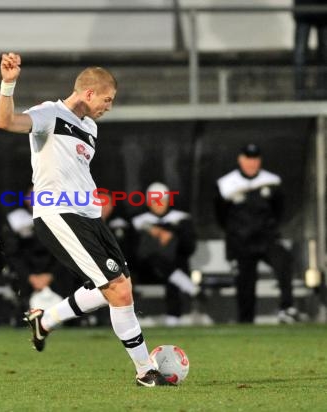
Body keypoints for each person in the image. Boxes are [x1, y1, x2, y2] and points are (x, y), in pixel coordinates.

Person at [0, 52, 172, 387]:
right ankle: (144, 371)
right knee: (119, 292)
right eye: (107, 99)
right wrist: (8, 83)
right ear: (89, 93)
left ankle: (45, 320)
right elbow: (6, 122)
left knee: (117, 286)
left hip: (89, 215)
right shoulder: (50, 114)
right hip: (58, 214)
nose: (109, 106)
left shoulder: (90, 127)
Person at [214, 143, 299, 324]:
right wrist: (236, 232)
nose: (251, 163)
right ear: (240, 159)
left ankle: (287, 308)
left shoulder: (272, 181)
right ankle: (246, 322)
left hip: (266, 238)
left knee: (284, 261)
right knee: (245, 284)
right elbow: (220, 215)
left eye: (255, 159)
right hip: (241, 241)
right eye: (248, 159)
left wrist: (268, 228)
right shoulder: (226, 184)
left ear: (259, 160)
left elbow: (279, 210)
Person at [131, 182, 197, 327]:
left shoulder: (180, 219)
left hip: (174, 264)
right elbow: (135, 251)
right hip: (147, 270)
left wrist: (173, 235)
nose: (159, 204)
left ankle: (173, 319)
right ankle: (186, 285)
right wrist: (154, 232)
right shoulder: (138, 221)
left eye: (162, 200)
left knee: (173, 270)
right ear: (149, 202)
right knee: (157, 261)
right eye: (155, 201)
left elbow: (189, 247)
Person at [2, 192, 63, 317]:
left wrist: (50, 274)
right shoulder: (17, 220)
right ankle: (20, 314)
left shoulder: (59, 218)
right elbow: (13, 253)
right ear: (26, 199)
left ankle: (71, 317)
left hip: (54, 270)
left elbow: (64, 252)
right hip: (27, 271)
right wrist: (30, 277)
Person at [293, 0, 327, 100]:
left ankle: (321, 93)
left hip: (320, 11)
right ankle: (300, 94)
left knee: (302, 54)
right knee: (300, 55)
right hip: (306, 9)